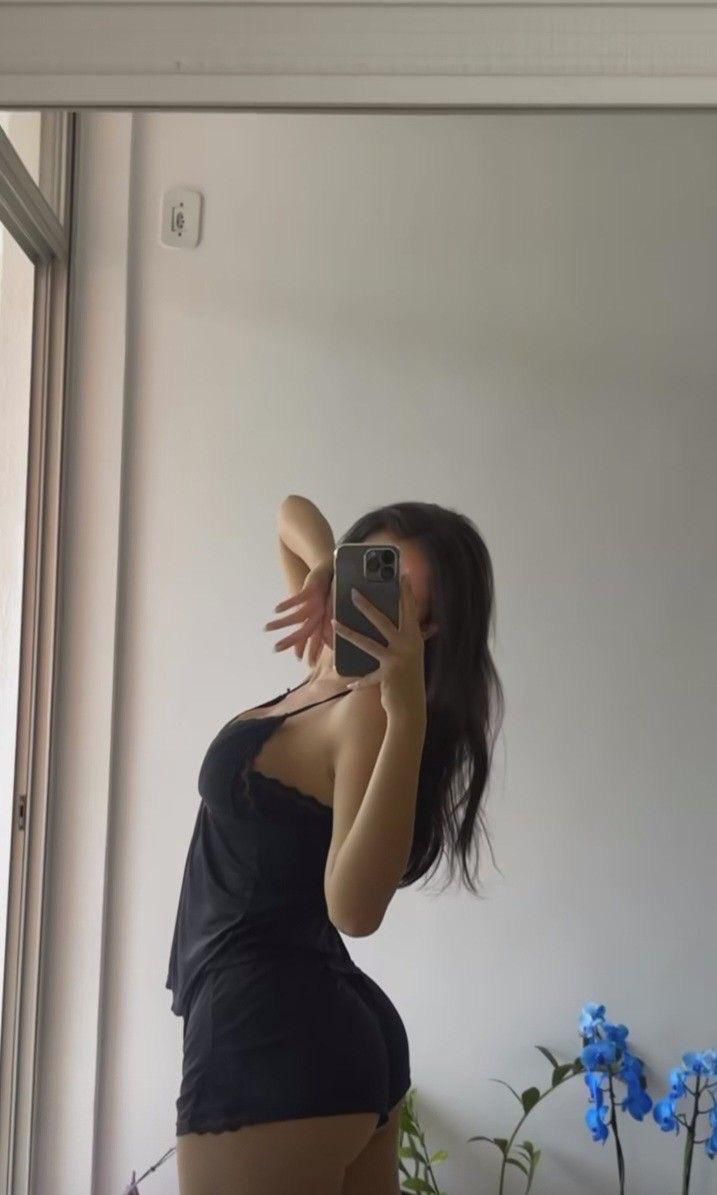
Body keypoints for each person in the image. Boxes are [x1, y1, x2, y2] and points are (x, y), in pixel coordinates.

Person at [167, 496, 504, 1195]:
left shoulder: (367, 711)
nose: (365, 600)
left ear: (428, 625)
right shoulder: (325, 659)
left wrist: (405, 712)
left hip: (268, 1041)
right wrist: (324, 564)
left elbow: (354, 909)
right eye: (366, 571)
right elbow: (286, 514)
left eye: (396, 595)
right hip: (309, 1034)